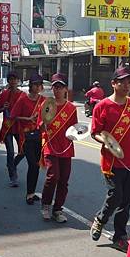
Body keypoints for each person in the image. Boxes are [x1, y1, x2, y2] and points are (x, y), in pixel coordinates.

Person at [90, 66, 130, 252]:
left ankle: (119, 236)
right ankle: (100, 219)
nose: (127, 85)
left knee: (126, 200)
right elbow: (95, 132)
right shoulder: (102, 106)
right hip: (111, 161)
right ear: (113, 83)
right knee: (116, 195)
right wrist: (104, 143)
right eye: (123, 82)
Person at [38, 73, 77, 223]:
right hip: (50, 145)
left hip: (66, 147)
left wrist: (76, 135)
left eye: (60, 87)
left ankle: (58, 209)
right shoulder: (46, 105)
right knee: (53, 176)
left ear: (65, 89)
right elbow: (40, 127)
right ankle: (46, 205)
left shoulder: (71, 108)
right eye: (55, 87)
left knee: (64, 180)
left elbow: (74, 128)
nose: (57, 90)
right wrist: (43, 124)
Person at [10, 73, 44, 205]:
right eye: (36, 84)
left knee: (36, 165)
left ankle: (32, 192)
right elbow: (13, 116)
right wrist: (28, 119)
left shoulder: (43, 100)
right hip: (25, 137)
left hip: (38, 136)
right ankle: (29, 194)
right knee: (32, 164)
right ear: (31, 86)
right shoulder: (23, 100)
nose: (38, 87)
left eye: (39, 85)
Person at [0, 71, 24, 187]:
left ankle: (12, 165)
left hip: (19, 127)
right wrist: (4, 107)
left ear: (18, 81)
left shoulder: (23, 95)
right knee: (10, 152)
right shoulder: (4, 95)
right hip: (8, 127)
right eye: (11, 79)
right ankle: (13, 176)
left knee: (23, 151)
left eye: (15, 79)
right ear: (8, 81)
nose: (13, 82)